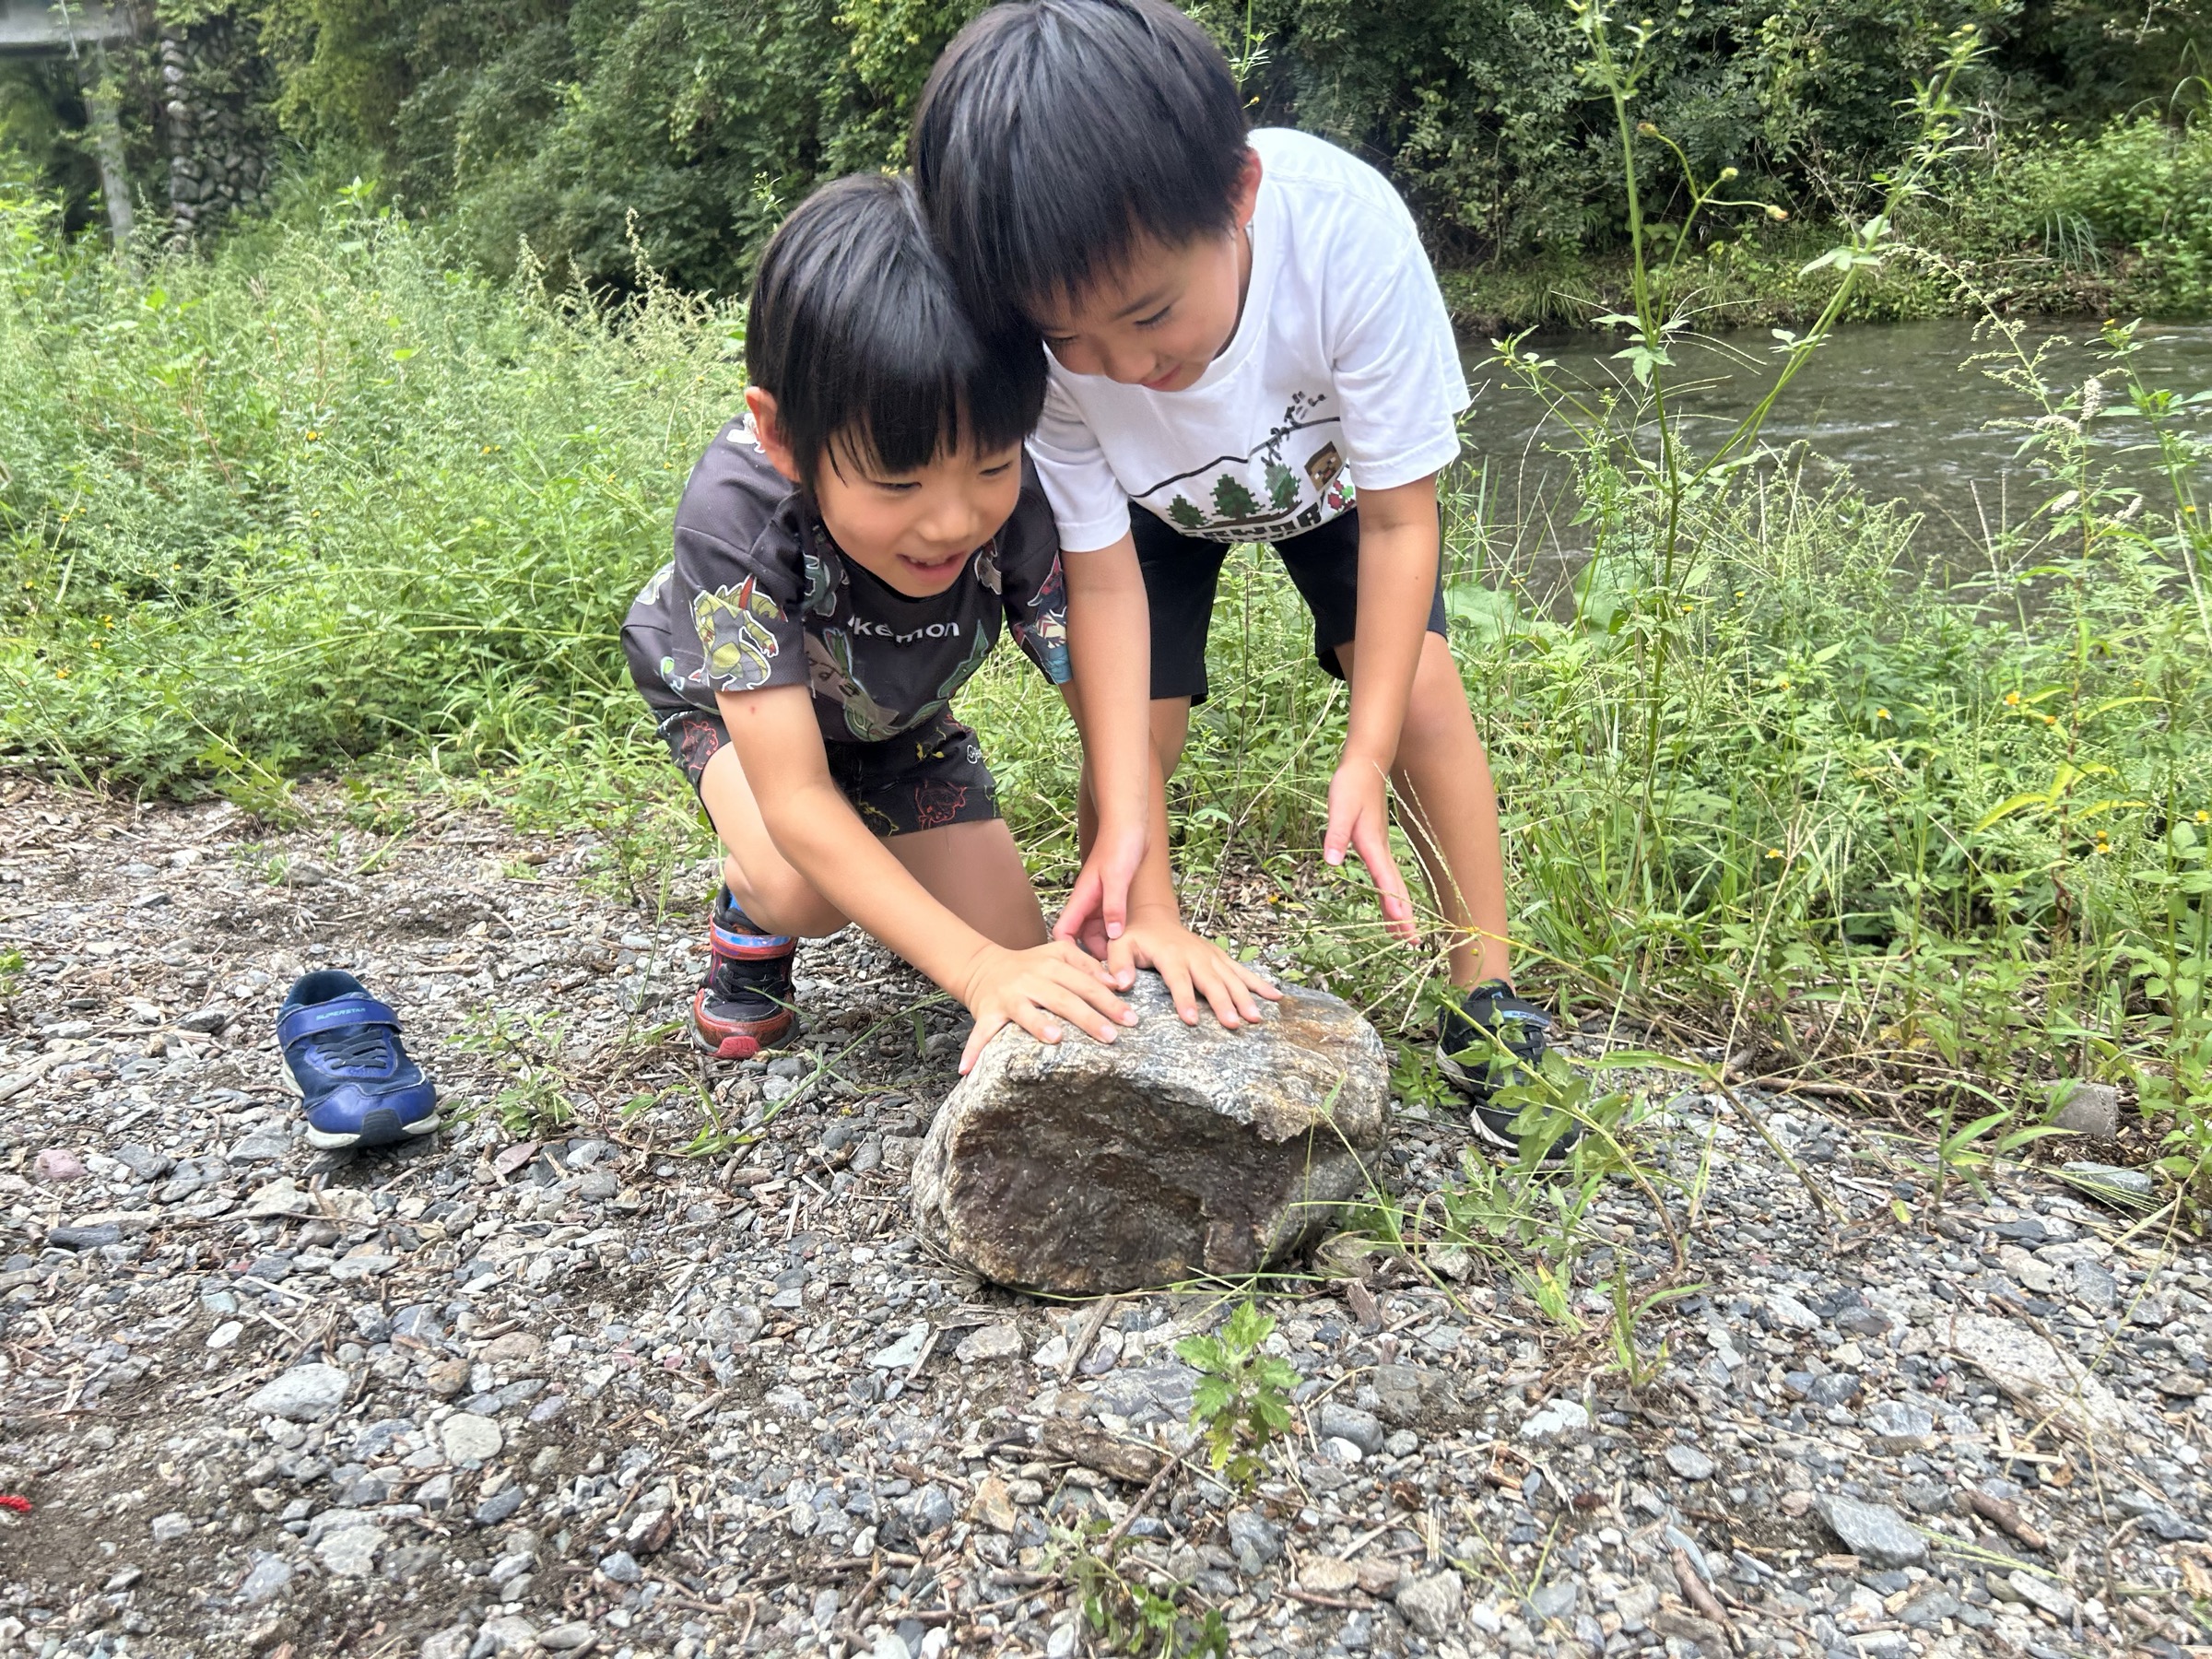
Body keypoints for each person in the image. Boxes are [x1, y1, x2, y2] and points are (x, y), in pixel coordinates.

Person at [910, 0, 1562, 1151]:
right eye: (1075, 342)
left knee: (1417, 698)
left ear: (1239, 196)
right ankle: (1138, 922)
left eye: (1150, 315)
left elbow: (1406, 522)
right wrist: (1139, 870)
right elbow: (1102, 587)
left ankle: (1489, 998)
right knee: (1132, 737)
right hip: (1152, 511)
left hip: (1333, 485)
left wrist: (1361, 752)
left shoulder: (1345, 233)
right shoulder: (1043, 345)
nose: (1126, 367)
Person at [620, 172, 1276, 1075]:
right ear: (780, 437)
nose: (952, 521)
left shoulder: (1032, 491)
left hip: (897, 717)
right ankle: (748, 924)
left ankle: (888, 863)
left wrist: (1149, 909)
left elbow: (1112, 719)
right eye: (898, 483)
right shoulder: (735, 520)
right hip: (731, 703)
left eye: (989, 465)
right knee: (804, 883)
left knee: (1021, 942)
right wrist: (973, 972)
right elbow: (798, 797)